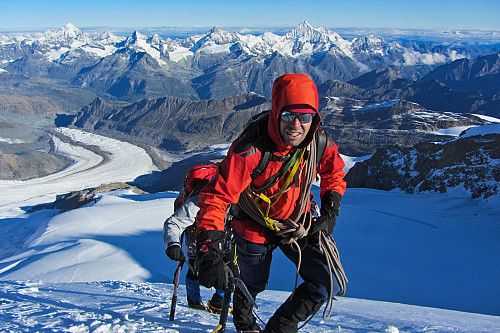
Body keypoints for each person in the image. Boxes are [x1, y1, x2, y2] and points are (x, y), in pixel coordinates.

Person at [194, 73, 347, 333]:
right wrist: (209, 248)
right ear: (276, 112)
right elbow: (217, 196)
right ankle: (246, 325)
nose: (296, 125)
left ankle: (280, 328)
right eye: (288, 115)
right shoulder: (251, 149)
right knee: (251, 285)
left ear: (314, 118)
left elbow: (334, 173)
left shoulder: (317, 143)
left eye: (305, 117)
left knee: (322, 283)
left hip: (295, 222)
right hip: (252, 227)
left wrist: (330, 211)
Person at [162, 165, 225, 314]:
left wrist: (173, 243)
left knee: (199, 266)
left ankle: (198, 300)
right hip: (201, 233)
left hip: (204, 233)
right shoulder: (200, 199)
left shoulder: (233, 194)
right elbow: (174, 223)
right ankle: (214, 302)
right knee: (208, 265)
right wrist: (172, 244)